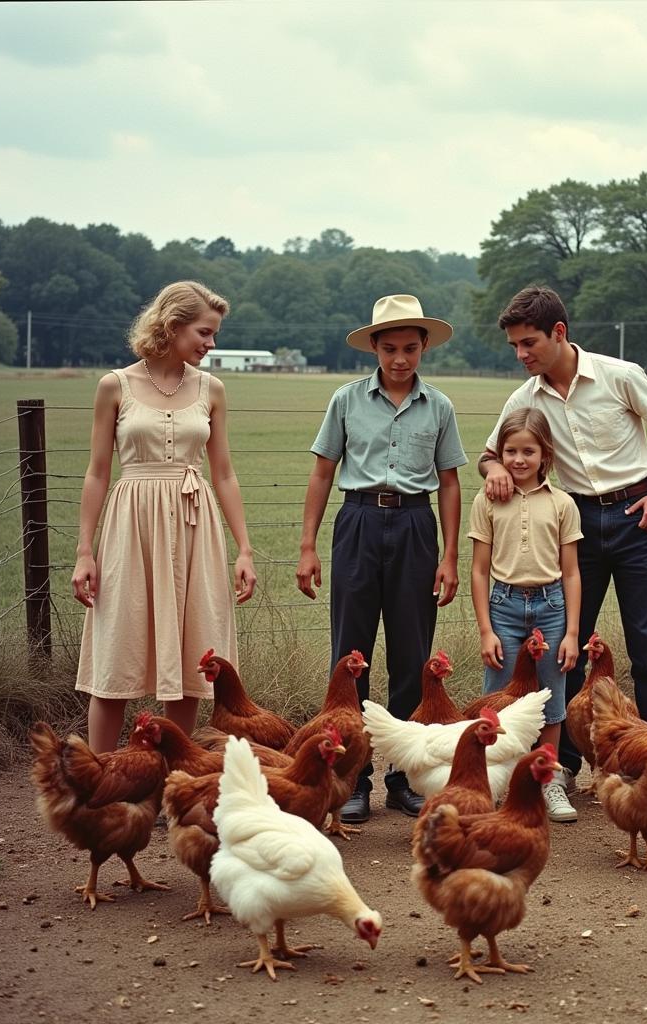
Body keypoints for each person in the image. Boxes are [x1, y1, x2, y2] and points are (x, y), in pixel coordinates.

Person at [479, 284, 647, 790]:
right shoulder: (525, 397)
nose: (521, 354)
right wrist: (491, 472)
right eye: (515, 347)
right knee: (563, 650)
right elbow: (492, 453)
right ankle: (563, 763)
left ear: (560, 333)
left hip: (639, 517)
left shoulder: (619, 376)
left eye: (529, 343)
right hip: (575, 526)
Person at [296, 294, 467, 822]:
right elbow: (323, 472)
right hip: (359, 523)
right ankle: (350, 778)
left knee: (413, 658)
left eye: (410, 349)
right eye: (389, 348)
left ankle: (403, 776)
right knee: (349, 655)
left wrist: (451, 556)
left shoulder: (438, 406)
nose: (400, 359)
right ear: (373, 346)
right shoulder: (346, 401)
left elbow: (450, 482)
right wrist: (307, 546)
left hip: (416, 527)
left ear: (423, 349)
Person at [72, 280, 256, 753]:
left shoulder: (211, 389)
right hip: (130, 528)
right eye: (204, 333)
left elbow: (225, 474)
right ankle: (101, 779)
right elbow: (96, 473)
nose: (212, 345)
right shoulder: (115, 385)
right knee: (118, 650)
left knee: (195, 654)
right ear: (172, 325)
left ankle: (172, 778)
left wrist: (246, 549)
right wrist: (84, 551)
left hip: (196, 527)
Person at [468, 407, 582, 822]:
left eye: (528, 452)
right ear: (500, 454)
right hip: (504, 605)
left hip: (551, 606)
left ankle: (548, 779)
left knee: (551, 699)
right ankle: (494, 783)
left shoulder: (563, 504)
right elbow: (479, 570)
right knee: (500, 697)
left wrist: (571, 632)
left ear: (544, 455)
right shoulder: (487, 500)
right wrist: (485, 629)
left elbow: (571, 572)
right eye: (510, 451)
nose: (518, 460)